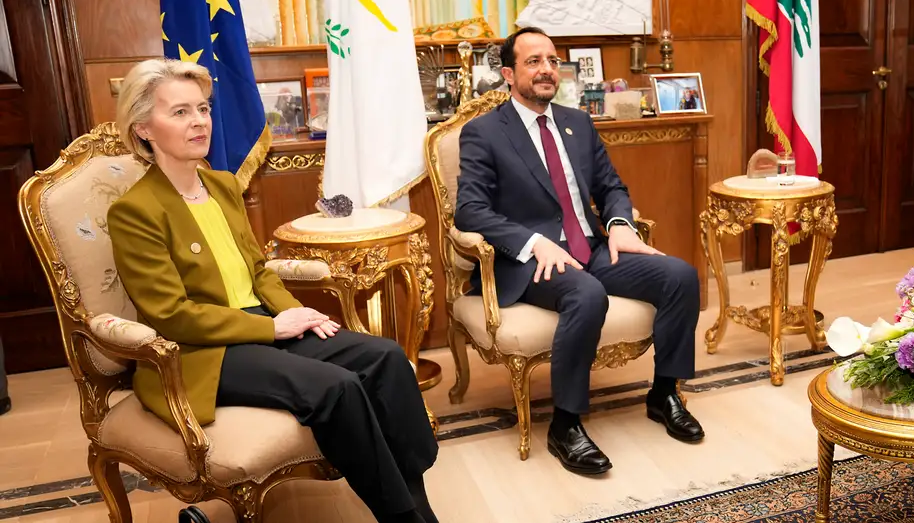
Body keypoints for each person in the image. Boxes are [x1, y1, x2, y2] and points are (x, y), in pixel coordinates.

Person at [108, 58, 438, 523]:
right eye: (179, 112)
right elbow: (172, 315)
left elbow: (259, 271)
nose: (199, 121)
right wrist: (272, 328)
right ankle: (402, 518)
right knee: (338, 387)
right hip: (203, 351)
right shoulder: (135, 211)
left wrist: (297, 313)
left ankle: (418, 502)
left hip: (264, 323)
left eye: (202, 109)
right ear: (143, 128)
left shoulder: (222, 186)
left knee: (385, 358)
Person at [455, 27, 705, 476]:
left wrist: (620, 225)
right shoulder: (484, 132)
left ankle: (664, 393)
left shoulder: (578, 123)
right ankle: (565, 424)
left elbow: (611, 187)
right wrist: (533, 243)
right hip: (531, 261)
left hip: (589, 247)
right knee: (587, 294)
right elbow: (470, 210)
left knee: (680, 276)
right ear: (509, 74)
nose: (547, 69)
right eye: (534, 61)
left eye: (552, 60)